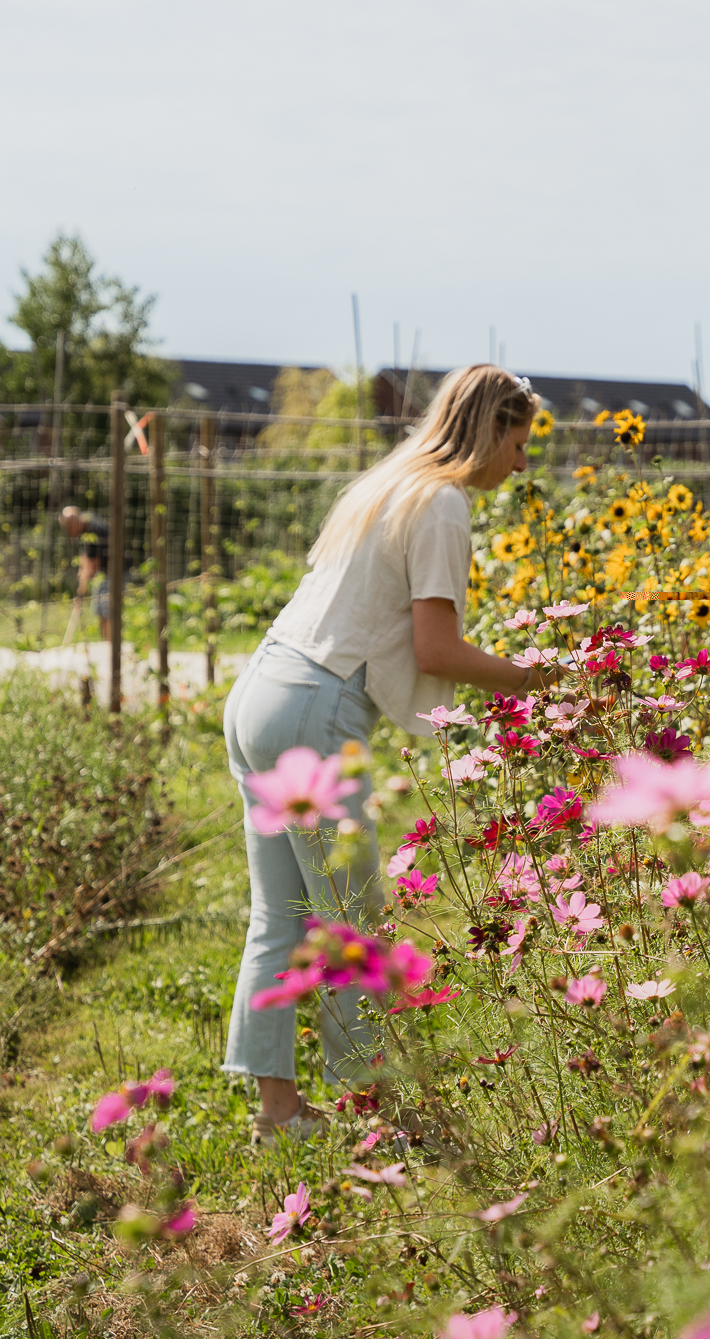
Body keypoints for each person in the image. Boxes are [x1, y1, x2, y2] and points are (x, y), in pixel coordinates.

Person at [222, 364, 550, 1143]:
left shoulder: (389, 483)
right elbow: (436, 649)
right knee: (352, 922)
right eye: (519, 442)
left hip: (262, 691)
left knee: (281, 917)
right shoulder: (441, 502)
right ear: (491, 429)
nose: (521, 463)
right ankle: (373, 1114)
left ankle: (281, 1116)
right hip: (313, 706)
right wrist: (533, 678)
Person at [58, 506, 111, 622]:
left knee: (106, 612)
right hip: (103, 573)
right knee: (101, 612)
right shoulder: (86, 521)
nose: (68, 533)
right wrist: (80, 576)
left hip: (113, 573)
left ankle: (112, 635)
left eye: (68, 529)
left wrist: (80, 593)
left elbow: (92, 567)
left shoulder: (93, 533)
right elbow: (85, 556)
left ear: (73, 524)